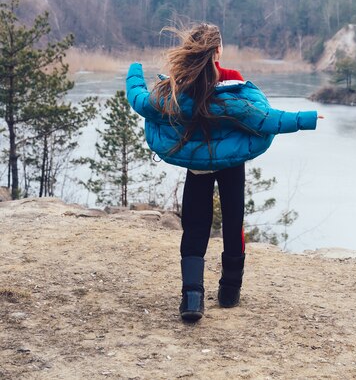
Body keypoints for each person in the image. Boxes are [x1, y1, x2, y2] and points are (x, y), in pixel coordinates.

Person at [126, 23, 319, 322]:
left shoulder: (177, 87)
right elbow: (265, 119)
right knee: (233, 222)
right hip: (231, 166)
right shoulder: (232, 81)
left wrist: (134, 70)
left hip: (197, 167)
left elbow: (140, 100)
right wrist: (306, 118)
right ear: (218, 50)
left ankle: (192, 298)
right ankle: (230, 291)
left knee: (195, 227)